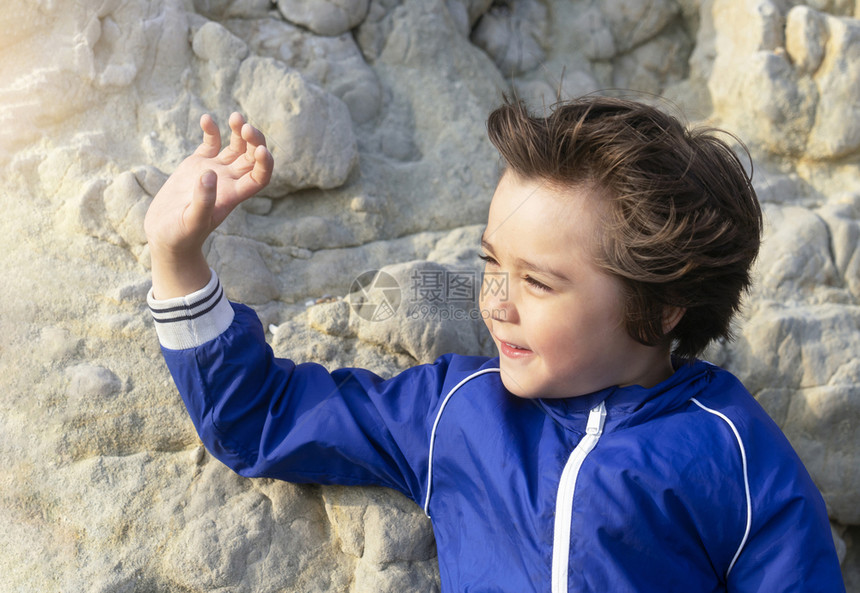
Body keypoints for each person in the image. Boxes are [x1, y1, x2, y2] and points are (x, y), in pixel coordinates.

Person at [144, 99, 846, 592]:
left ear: (661, 307)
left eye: (538, 282)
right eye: (490, 265)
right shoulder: (457, 411)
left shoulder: (731, 448)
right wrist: (176, 259)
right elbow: (264, 417)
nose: (497, 302)